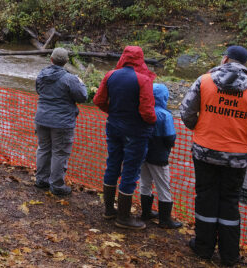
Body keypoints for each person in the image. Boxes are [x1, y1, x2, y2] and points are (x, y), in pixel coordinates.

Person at [180, 45, 247, 266]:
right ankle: (229, 255)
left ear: (225, 59)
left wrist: (199, 127)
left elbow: (186, 111)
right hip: (237, 155)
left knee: (205, 197)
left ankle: (203, 247)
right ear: (245, 65)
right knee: (230, 201)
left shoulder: (204, 81)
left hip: (205, 151)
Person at [93, 46, 156, 230]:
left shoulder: (111, 74)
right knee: (130, 170)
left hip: (113, 127)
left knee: (112, 164)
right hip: (136, 131)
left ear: (124, 57)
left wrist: (112, 112)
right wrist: (152, 122)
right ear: (140, 59)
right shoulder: (143, 79)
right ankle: (123, 217)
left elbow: (98, 100)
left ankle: (108, 210)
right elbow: (147, 111)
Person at [34, 48, 87, 196]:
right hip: (61, 122)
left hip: (42, 118)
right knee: (60, 152)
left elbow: (39, 91)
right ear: (66, 62)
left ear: (51, 59)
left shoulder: (41, 75)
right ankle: (57, 185)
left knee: (43, 148)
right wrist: (81, 83)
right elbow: (83, 97)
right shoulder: (70, 79)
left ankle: (41, 180)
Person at [139, 83, 182, 229]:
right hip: (159, 156)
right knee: (163, 186)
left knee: (145, 183)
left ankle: (146, 213)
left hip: (142, 153)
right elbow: (170, 137)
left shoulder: (143, 109)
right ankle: (165, 220)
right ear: (164, 97)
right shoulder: (165, 115)